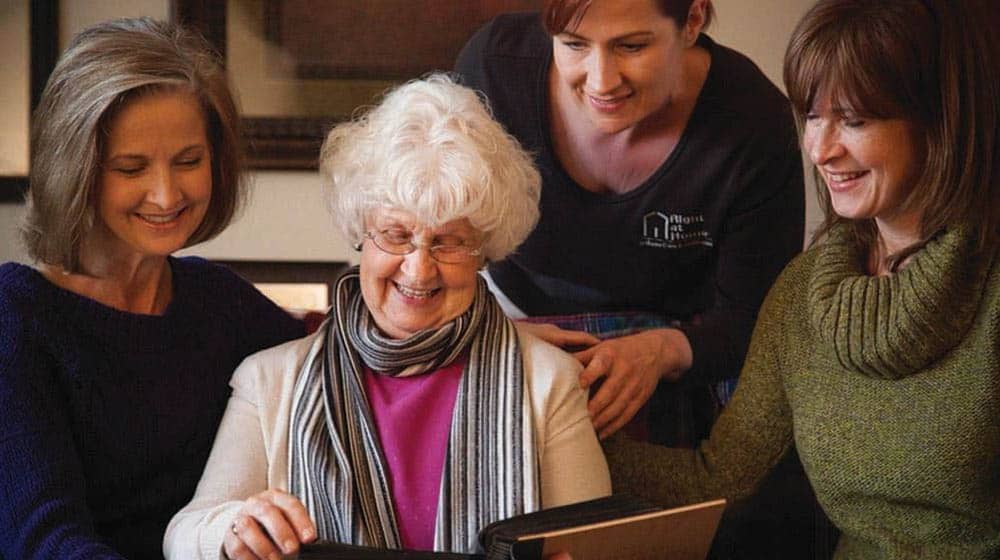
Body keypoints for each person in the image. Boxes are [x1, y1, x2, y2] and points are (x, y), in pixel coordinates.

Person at [604, 0, 1000, 557]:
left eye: (856, 120)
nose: (820, 149)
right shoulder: (805, 290)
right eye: (813, 115)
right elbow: (719, 477)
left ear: (941, 120)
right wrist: (553, 433)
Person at [164, 74, 611, 559]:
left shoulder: (547, 381)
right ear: (361, 232)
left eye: (450, 241)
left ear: (485, 252)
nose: (419, 268)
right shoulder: (270, 380)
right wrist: (231, 529)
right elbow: (184, 536)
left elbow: (598, 547)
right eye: (396, 235)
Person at [0, 18, 305, 559]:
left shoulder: (221, 301)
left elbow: (347, 364)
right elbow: (45, 540)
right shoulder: (16, 315)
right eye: (131, 167)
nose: (166, 195)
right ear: (78, 170)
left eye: (189, 161)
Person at [455, 0, 804, 445]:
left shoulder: (752, 122)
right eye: (574, 45)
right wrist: (487, 333)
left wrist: (664, 348)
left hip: (688, 336)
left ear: (692, 20)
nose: (602, 81)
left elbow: (754, 316)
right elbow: (440, 237)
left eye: (632, 47)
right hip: (517, 314)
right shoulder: (492, 71)